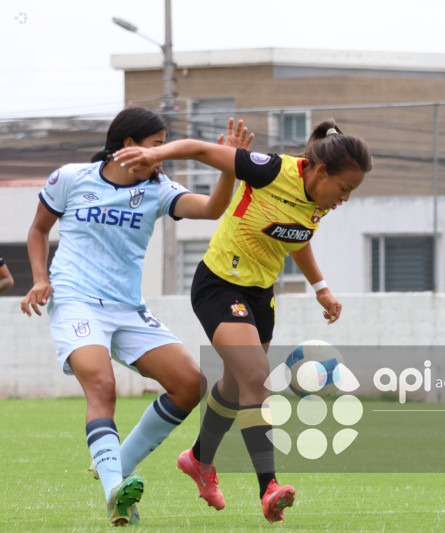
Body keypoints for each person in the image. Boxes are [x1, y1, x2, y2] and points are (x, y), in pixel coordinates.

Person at [113, 119, 372, 523]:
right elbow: (201, 150)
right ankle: (269, 487)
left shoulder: (317, 200)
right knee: (256, 378)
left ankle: (199, 459)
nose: (345, 198)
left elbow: (297, 237)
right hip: (219, 285)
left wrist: (320, 286)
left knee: (235, 387)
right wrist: (154, 154)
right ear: (321, 171)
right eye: (345, 188)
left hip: (259, 295)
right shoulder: (270, 170)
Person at [20, 107, 254, 526]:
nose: (162, 153)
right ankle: (114, 491)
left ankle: (116, 467)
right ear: (128, 146)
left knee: (189, 384)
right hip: (76, 301)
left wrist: (229, 168)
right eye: (155, 144)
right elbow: (38, 230)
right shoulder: (71, 178)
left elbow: (212, 209)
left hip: (127, 308)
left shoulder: (159, 189)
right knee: (102, 385)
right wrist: (40, 278)